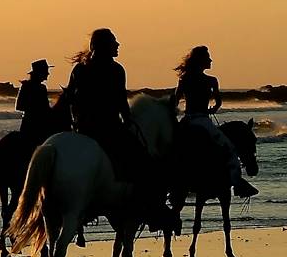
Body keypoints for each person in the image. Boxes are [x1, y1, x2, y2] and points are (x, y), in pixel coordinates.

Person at [67, 29, 171, 230]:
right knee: (144, 162)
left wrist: (76, 122)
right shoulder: (116, 70)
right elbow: (121, 102)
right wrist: (129, 121)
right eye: (114, 42)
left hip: (84, 128)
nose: (118, 45)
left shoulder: (79, 69)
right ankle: (151, 210)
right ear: (105, 45)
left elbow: (71, 99)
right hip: (109, 128)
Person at [172, 46, 257, 197]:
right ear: (201, 61)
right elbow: (218, 103)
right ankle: (238, 184)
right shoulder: (211, 80)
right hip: (203, 120)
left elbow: (176, 100)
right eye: (208, 58)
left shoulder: (185, 78)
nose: (210, 60)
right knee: (229, 148)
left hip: (188, 119)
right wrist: (212, 110)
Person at [15, 59, 53, 148]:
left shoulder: (43, 87)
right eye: (46, 71)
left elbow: (46, 108)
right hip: (30, 124)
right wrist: (38, 110)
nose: (48, 74)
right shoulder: (26, 86)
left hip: (40, 122)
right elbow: (19, 106)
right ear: (40, 72)